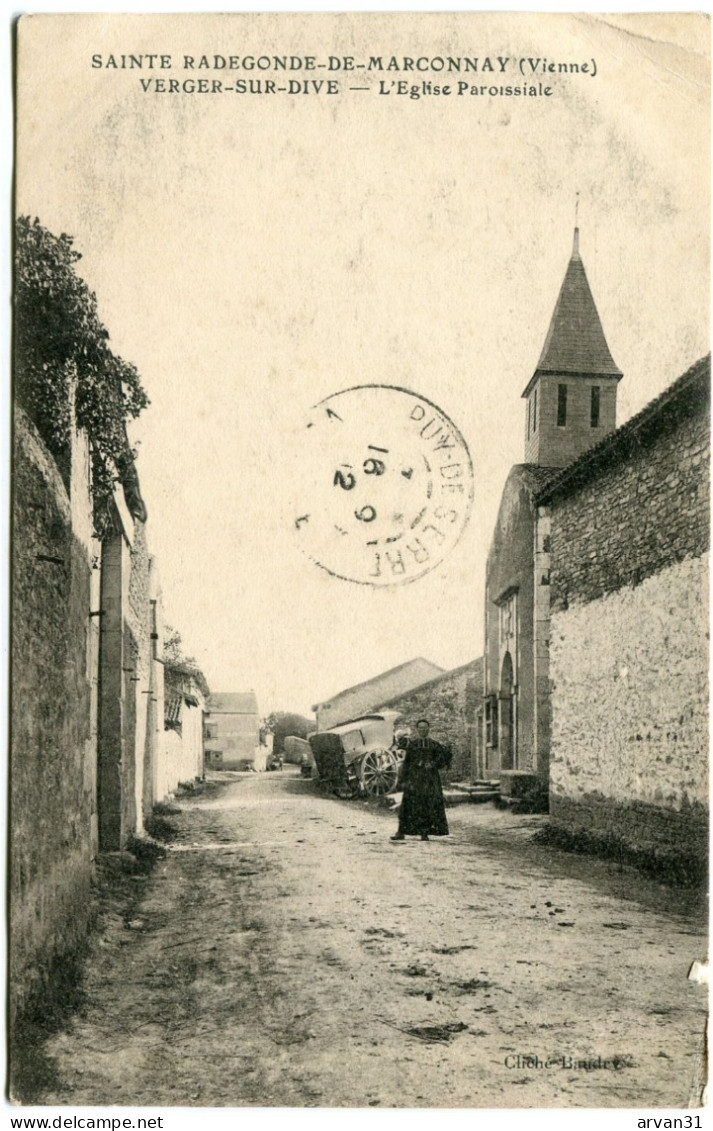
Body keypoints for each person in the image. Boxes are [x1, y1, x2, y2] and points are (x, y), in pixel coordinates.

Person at [390, 719, 452, 842]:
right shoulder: (412, 745)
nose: (423, 730)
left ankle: (425, 832)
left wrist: (433, 764)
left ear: (429, 729)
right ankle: (401, 832)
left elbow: (442, 759)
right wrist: (404, 779)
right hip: (415, 779)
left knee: (428, 804)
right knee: (408, 804)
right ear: (417, 730)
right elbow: (407, 763)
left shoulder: (434, 745)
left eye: (425, 728)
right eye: (421, 728)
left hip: (430, 780)